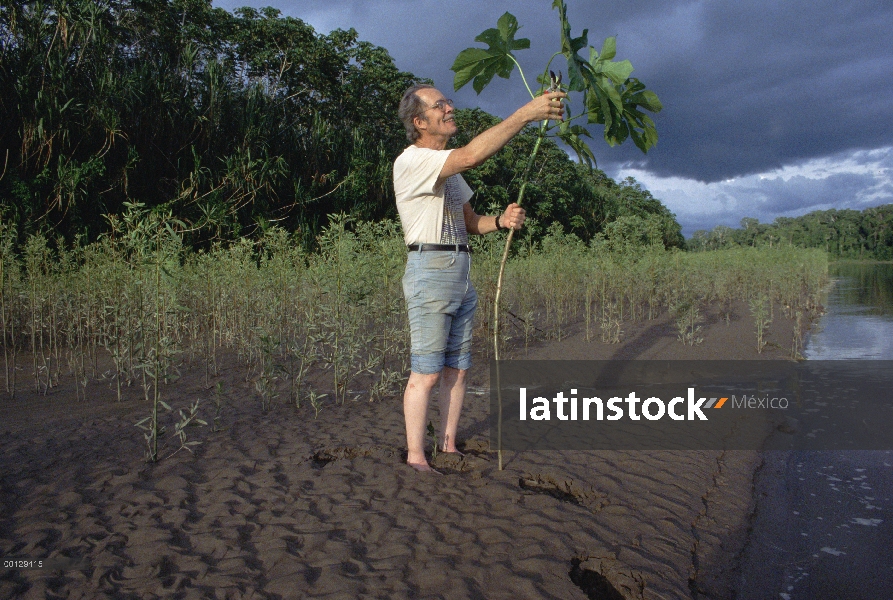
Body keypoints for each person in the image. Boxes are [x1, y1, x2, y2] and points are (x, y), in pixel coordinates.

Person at [393, 83, 566, 472]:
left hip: (460, 270)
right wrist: (525, 114)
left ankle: (449, 444)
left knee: (459, 366)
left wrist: (501, 221)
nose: (449, 108)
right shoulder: (413, 160)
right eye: (439, 106)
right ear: (419, 121)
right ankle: (416, 456)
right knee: (427, 371)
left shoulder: (448, 172)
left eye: (448, 102)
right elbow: (471, 156)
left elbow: (470, 222)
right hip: (430, 270)